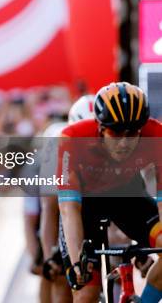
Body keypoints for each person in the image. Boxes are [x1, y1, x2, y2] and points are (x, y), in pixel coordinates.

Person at [57, 82, 162, 303]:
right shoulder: (72, 138)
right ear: (100, 127)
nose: (124, 142)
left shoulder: (156, 135)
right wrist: (78, 263)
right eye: (116, 132)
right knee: (86, 292)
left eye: (132, 132)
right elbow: (69, 208)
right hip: (85, 205)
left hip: (127, 197)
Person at [39, 94, 94, 303]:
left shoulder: (113, 138)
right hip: (62, 203)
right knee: (61, 275)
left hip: (92, 201)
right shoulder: (57, 144)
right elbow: (51, 210)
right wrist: (49, 256)